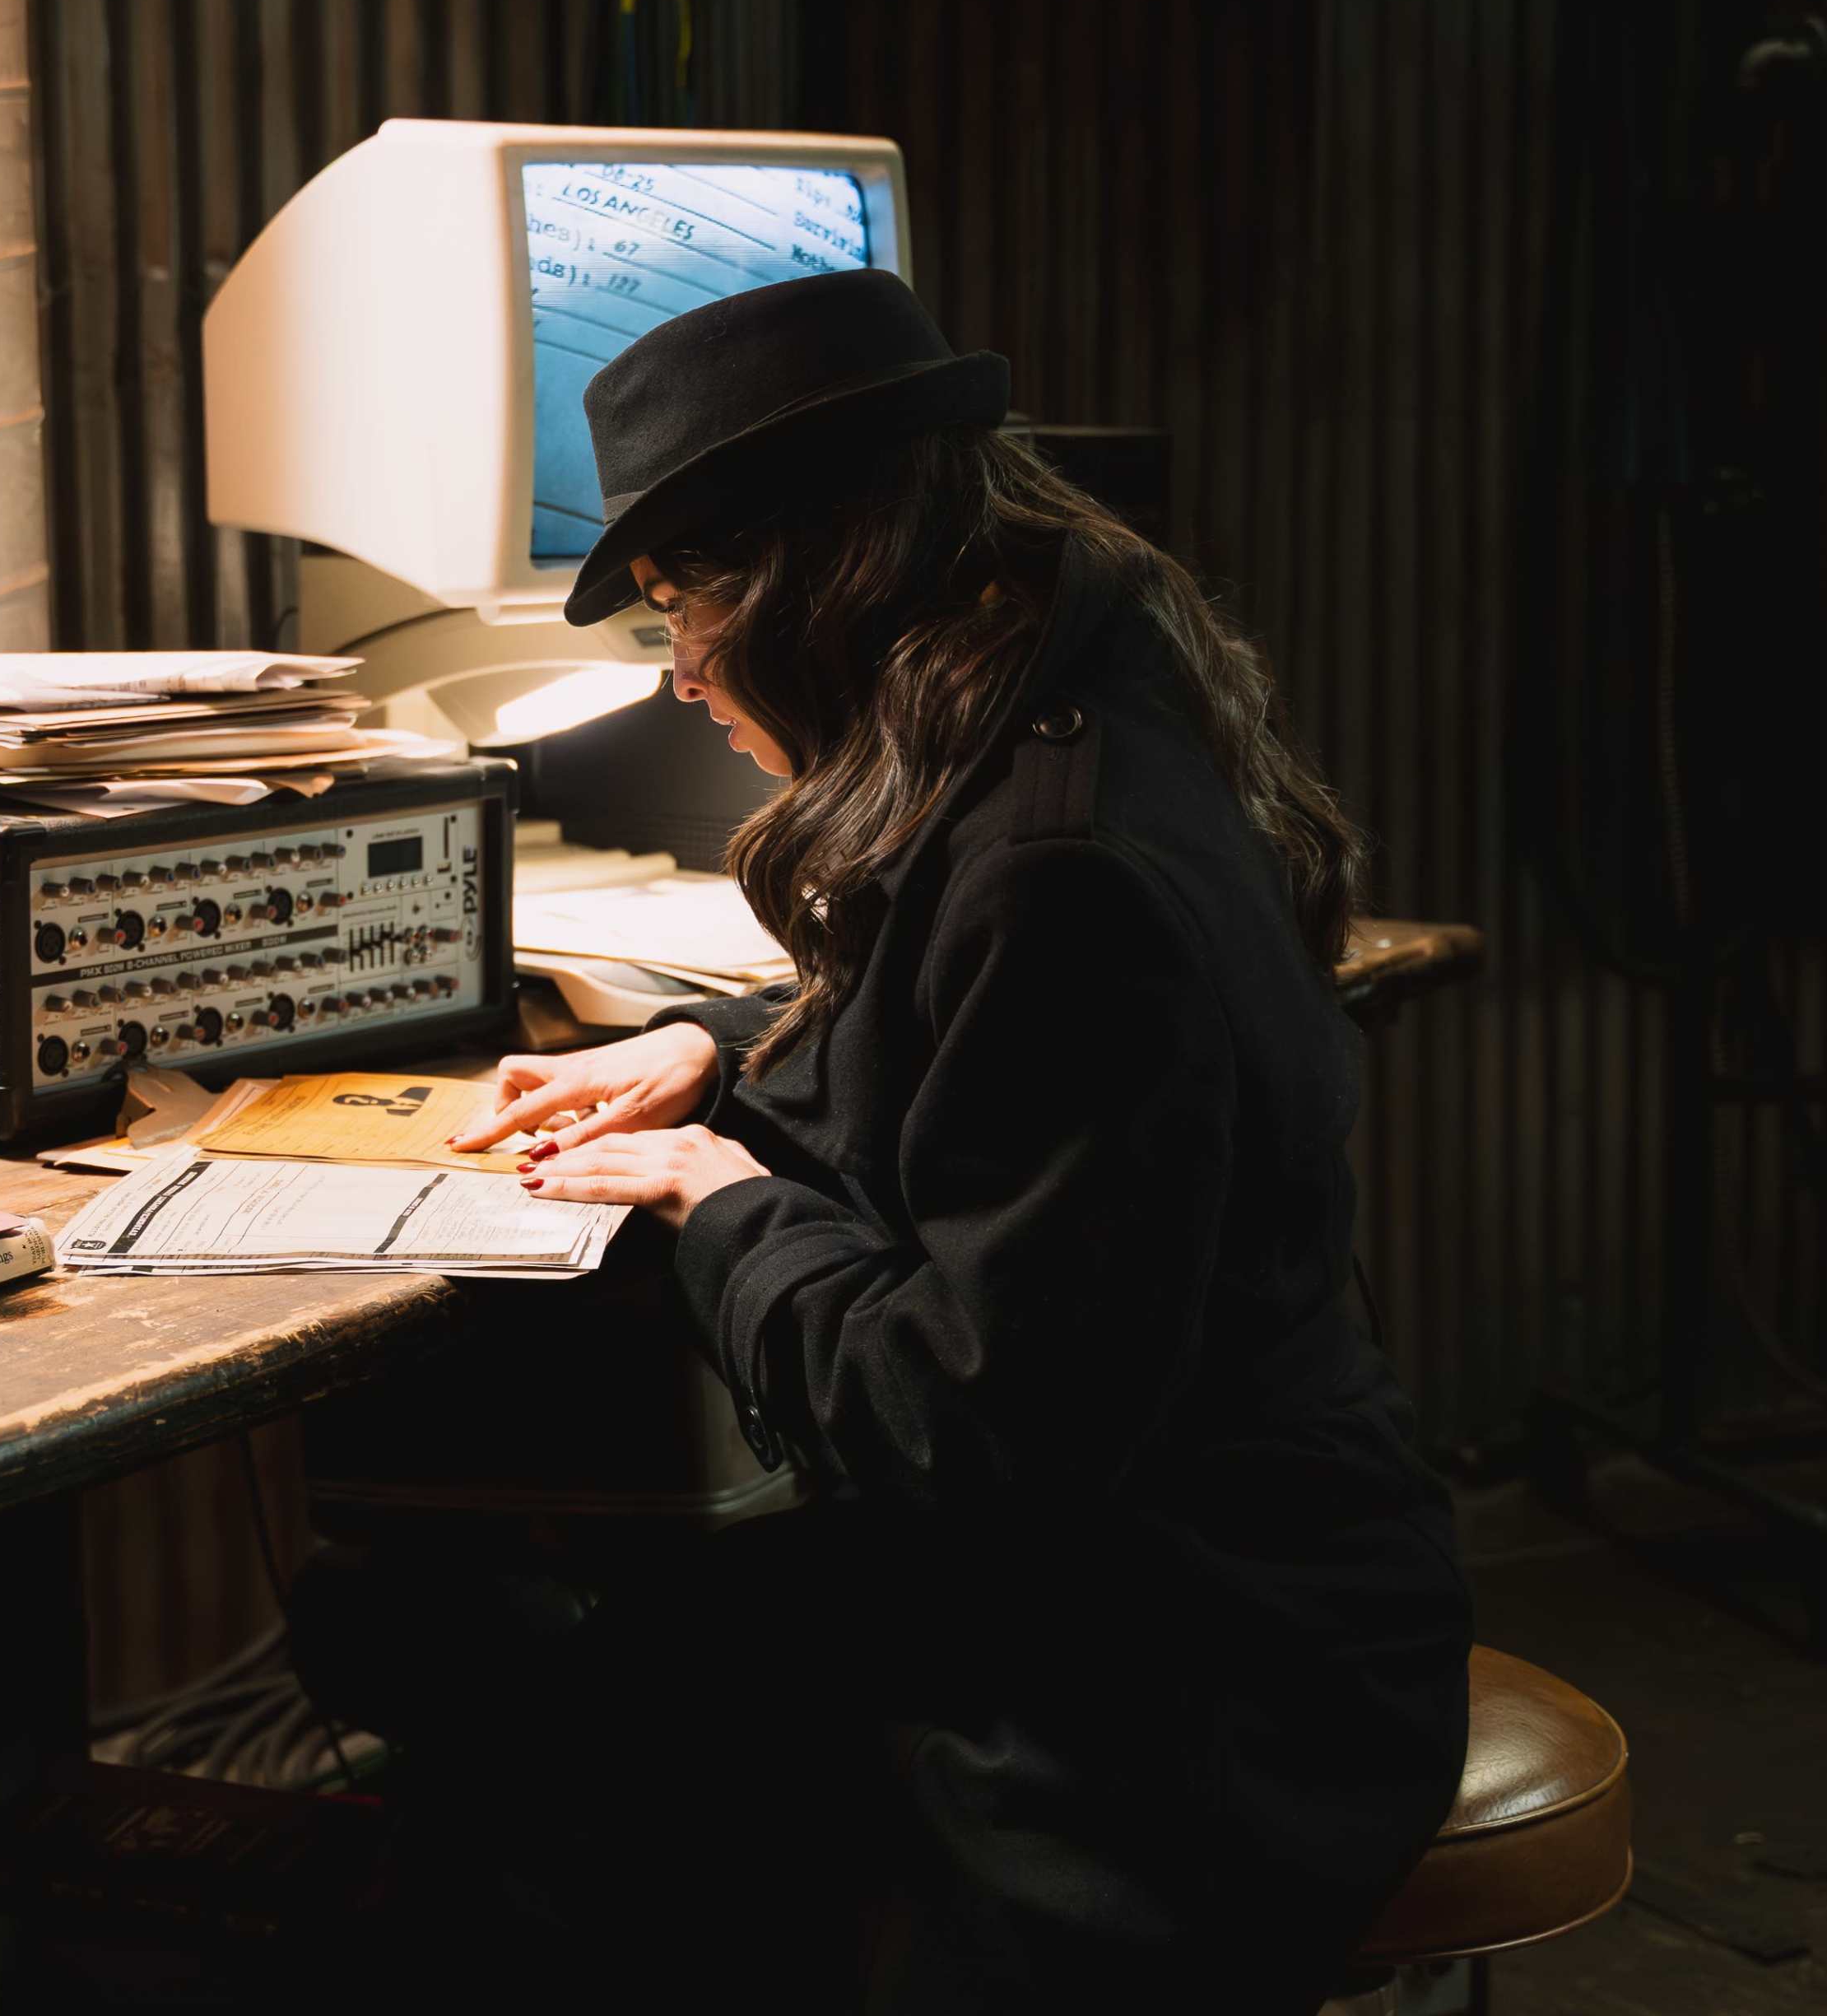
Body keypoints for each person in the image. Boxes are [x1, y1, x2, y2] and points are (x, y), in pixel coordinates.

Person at [441, 270, 1472, 2011]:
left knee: (546, 1755)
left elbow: (967, 1419)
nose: (685, 677)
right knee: (500, 1672)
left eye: (688, 610)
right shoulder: (1044, 725)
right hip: (1153, 1587)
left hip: (1195, 1699)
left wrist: (715, 1196)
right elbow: (940, 1067)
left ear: (815, 586)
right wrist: (705, 1060)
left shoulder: (1060, 871)